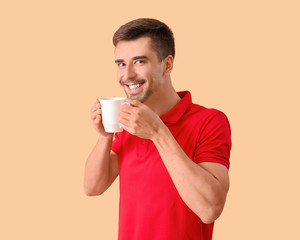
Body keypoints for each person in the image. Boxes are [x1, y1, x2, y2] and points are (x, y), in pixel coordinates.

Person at [84, 18, 232, 240]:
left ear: (168, 65)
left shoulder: (210, 121)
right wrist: (105, 136)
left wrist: (158, 133)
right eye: (121, 63)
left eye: (139, 61)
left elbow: (210, 209)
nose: (127, 75)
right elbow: (92, 187)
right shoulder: (128, 120)